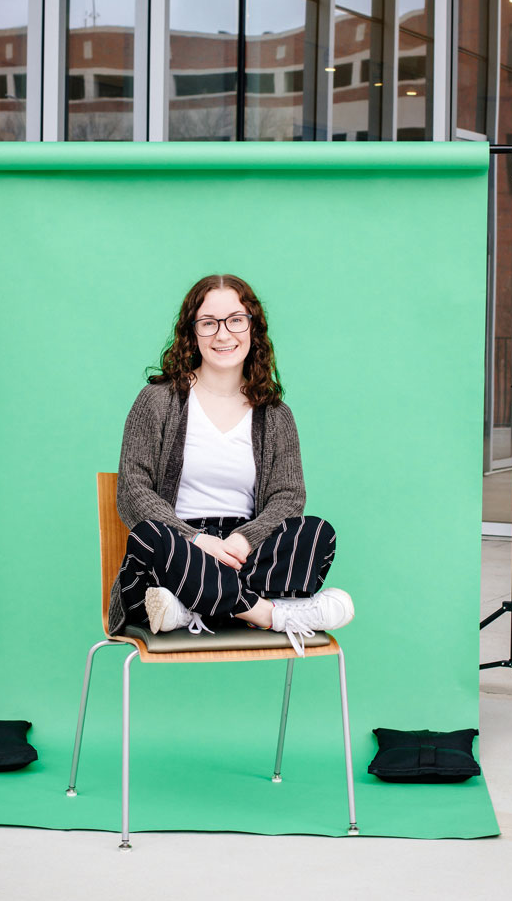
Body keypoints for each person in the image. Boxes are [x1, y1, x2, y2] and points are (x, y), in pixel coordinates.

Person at [107, 274, 354, 656]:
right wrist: (196, 540)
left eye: (235, 320)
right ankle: (268, 613)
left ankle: (190, 606)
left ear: (253, 326)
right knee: (149, 536)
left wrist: (243, 540)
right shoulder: (157, 401)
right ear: (192, 333)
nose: (223, 335)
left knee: (317, 533)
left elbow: (288, 498)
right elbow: (133, 491)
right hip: (179, 548)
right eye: (209, 323)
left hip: (244, 550)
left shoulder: (275, 415)